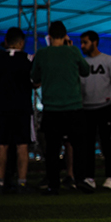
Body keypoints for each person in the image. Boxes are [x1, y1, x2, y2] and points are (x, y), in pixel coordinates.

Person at [31, 21, 91, 195]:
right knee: (79, 146)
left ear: (49, 36)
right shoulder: (73, 51)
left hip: (52, 109)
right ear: (65, 36)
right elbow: (86, 71)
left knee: (52, 149)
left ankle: (53, 184)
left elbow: (34, 77)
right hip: (74, 107)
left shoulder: (42, 54)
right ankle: (79, 179)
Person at [79, 30, 111, 190]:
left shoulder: (109, 60)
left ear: (95, 42)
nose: (82, 46)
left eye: (85, 42)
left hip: (105, 107)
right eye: (81, 43)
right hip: (86, 108)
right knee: (88, 145)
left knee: (108, 144)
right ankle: (89, 177)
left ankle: (110, 177)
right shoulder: (82, 62)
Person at [0, 28, 34, 194]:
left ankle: (0, 182)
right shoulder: (28, 59)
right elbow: (36, 82)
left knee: (1, 145)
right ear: (22, 43)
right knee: (22, 145)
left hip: (1, 108)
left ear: (6, 42)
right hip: (22, 109)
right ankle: (22, 182)